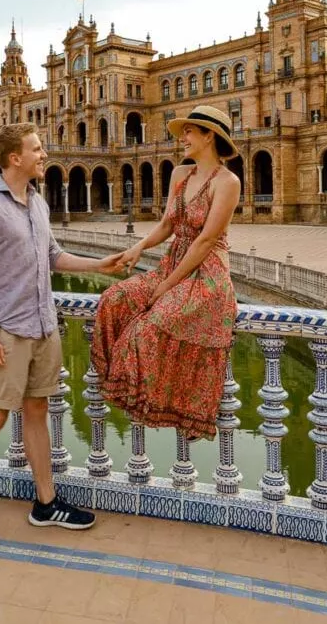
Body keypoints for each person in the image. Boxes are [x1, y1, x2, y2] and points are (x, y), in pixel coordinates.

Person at [0, 123, 124, 547]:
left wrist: (99, 266)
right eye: (37, 149)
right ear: (15, 158)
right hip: (7, 330)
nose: (44, 154)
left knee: (37, 412)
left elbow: (53, 257)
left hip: (44, 325)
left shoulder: (37, 204)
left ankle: (45, 502)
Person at [92, 105, 241, 441]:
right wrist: (138, 248)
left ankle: (165, 404)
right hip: (172, 263)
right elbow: (166, 224)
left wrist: (165, 287)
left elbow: (204, 242)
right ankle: (121, 390)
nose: (183, 138)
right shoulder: (179, 174)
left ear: (209, 136)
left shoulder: (228, 182)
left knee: (146, 329)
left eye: (189, 131)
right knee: (113, 299)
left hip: (206, 274)